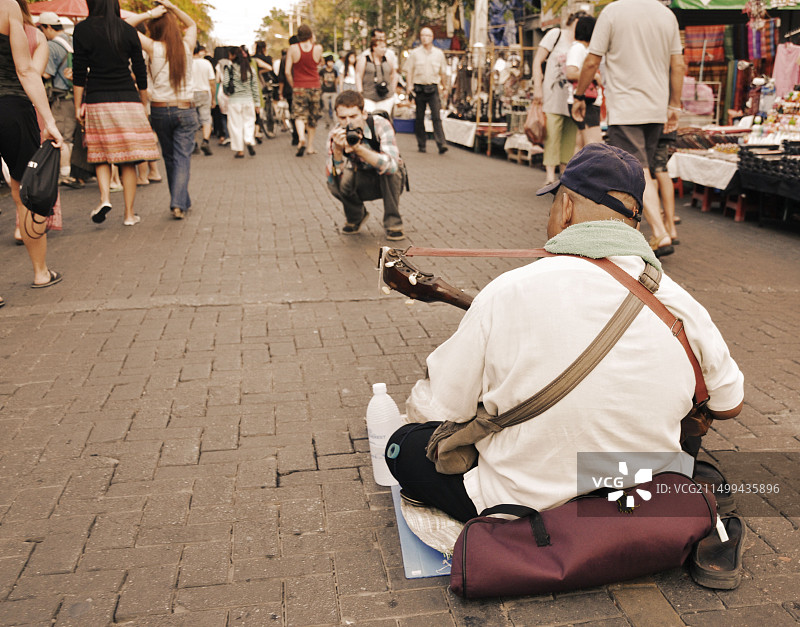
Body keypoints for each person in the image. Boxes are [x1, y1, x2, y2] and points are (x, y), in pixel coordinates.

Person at [385, 143, 744, 523]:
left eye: (553, 203)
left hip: (524, 507)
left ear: (567, 208)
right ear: (634, 222)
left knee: (403, 446)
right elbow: (728, 406)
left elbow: (442, 407)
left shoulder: (508, 290)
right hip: (637, 496)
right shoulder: (680, 302)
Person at [572, 0, 685, 258]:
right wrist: (675, 106)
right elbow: (678, 65)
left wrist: (579, 95)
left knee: (639, 169)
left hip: (626, 108)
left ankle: (658, 231)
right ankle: (650, 229)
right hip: (656, 108)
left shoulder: (612, 12)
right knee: (647, 169)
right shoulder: (667, 15)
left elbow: (591, 61)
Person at [73, 0, 159, 227]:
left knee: (101, 154)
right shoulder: (127, 30)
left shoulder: (82, 29)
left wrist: (77, 105)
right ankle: (129, 215)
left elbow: (79, 71)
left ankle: (104, 198)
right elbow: (139, 69)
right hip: (128, 99)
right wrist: (141, 102)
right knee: (128, 159)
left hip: (97, 99)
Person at [1, 0, 64, 297]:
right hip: (11, 108)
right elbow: (25, 70)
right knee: (26, 190)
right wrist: (48, 121)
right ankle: (40, 272)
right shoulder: (7, 5)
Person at [127, 0, 198, 222]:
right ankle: (179, 202)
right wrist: (173, 9)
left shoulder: (153, 47)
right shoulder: (186, 47)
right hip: (185, 110)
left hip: (160, 111)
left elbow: (127, 26)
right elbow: (193, 25)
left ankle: (181, 201)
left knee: (169, 158)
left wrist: (150, 13)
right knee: (182, 158)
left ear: (154, 28)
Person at [325, 90, 406, 241]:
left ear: (363, 114)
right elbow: (332, 178)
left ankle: (393, 222)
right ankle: (356, 216)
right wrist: (337, 151)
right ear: (337, 117)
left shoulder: (380, 125)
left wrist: (357, 149)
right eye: (343, 117)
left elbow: (392, 166)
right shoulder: (335, 134)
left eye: (353, 116)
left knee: (392, 172)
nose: (348, 122)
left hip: (387, 180)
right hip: (360, 176)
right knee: (334, 183)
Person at [531, 10, 588, 184]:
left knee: (570, 136)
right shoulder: (555, 35)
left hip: (573, 96)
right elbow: (537, 61)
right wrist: (538, 88)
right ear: (574, 21)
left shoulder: (582, 42)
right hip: (552, 94)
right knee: (552, 134)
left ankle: (564, 173)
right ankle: (549, 175)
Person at [37, 11, 77, 188]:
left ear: (47, 27)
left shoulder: (52, 46)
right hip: (75, 96)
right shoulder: (71, 41)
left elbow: (46, 73)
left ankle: (64, 174)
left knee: (62, 137)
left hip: (61, 98)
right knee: (70, 136)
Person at [405, 26, 448, 154]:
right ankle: (421, 144)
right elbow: (409, 70)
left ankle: (441, 143)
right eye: (423, 35)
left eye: (428, 36)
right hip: (419, 87)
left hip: (433, 87)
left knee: (436, 116)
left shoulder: (439, 53)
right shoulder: (415, 53)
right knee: (419, 117)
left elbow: (443, 73)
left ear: (432, 37)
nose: (425, 38)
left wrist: (444, 87)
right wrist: (409, 85)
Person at [285, 23, 322, 157]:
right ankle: (310, 146)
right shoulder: (318, 48)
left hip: (299, 86)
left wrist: (294, 84)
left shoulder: (293, 48)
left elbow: (287, 71)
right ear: (311, 35)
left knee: (299, 115)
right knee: (312, 117)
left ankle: (301, 137)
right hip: (315, 86)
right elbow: (319, 64)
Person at [565, 15, 602, 150]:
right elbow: (570, 73)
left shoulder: (582, 48)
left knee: (581, 144)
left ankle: (574, 171)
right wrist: (593, 76)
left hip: (586, 100)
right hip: (586, 101)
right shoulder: (578, 48)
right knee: (594, 145)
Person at [223, 46, 259, 158]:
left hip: (234, 101)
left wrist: (228, 93)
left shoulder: (229, 68)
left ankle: (240, 150)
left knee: (235, 126)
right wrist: (257, 103)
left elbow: (225, 84)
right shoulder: (250, 69)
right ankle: (248, 140)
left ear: (233, 56)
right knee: (249, 122)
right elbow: (255, 87)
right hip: (248, 100)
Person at [356, 35, 397, 118]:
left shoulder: (388, 59)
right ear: (374, 47)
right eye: (381, 47)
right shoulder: (364, 59)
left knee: (384, 120)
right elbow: (358, 75)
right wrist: (360, 91)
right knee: (371, 119)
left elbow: (394, 74)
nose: (384, 50)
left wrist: (393, 89)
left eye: (385, 47)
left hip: (386, 96)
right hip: (368, 96)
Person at [192, 43, 215, 155]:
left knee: (193, 120)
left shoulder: (186, 63)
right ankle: (205, 140)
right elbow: (212, 82)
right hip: (204, 92)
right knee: (206, 119)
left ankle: (194, 143)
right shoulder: (206, 63)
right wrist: (213, 98)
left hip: (190, 94)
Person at [319, 54, 338, 128]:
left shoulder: (335, 71)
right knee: (326, 108)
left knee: (334, 107)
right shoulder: (322, 71)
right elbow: (320, 80)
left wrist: (337, 90)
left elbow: (336, 81)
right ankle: (327, 122)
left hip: (333, 91)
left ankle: (335, 122)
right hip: (325, 91)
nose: (331, 63)